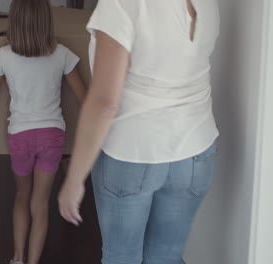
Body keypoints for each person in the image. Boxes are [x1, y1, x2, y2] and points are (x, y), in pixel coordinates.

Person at [59, 0, 220, 263]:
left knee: (122, 257)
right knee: (167, 256)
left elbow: (103, 102)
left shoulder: (120, 4)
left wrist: (74, 178)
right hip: (196, 152)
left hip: (133, 152)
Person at [0, 1, 86, 263]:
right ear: (47, 20)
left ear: (14, 21)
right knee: (40, 203)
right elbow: (84, 99)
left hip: (20, 137)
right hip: (51, 137)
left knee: (22, 195)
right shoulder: (62, 54)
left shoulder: (3, 56)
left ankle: (18, 258)